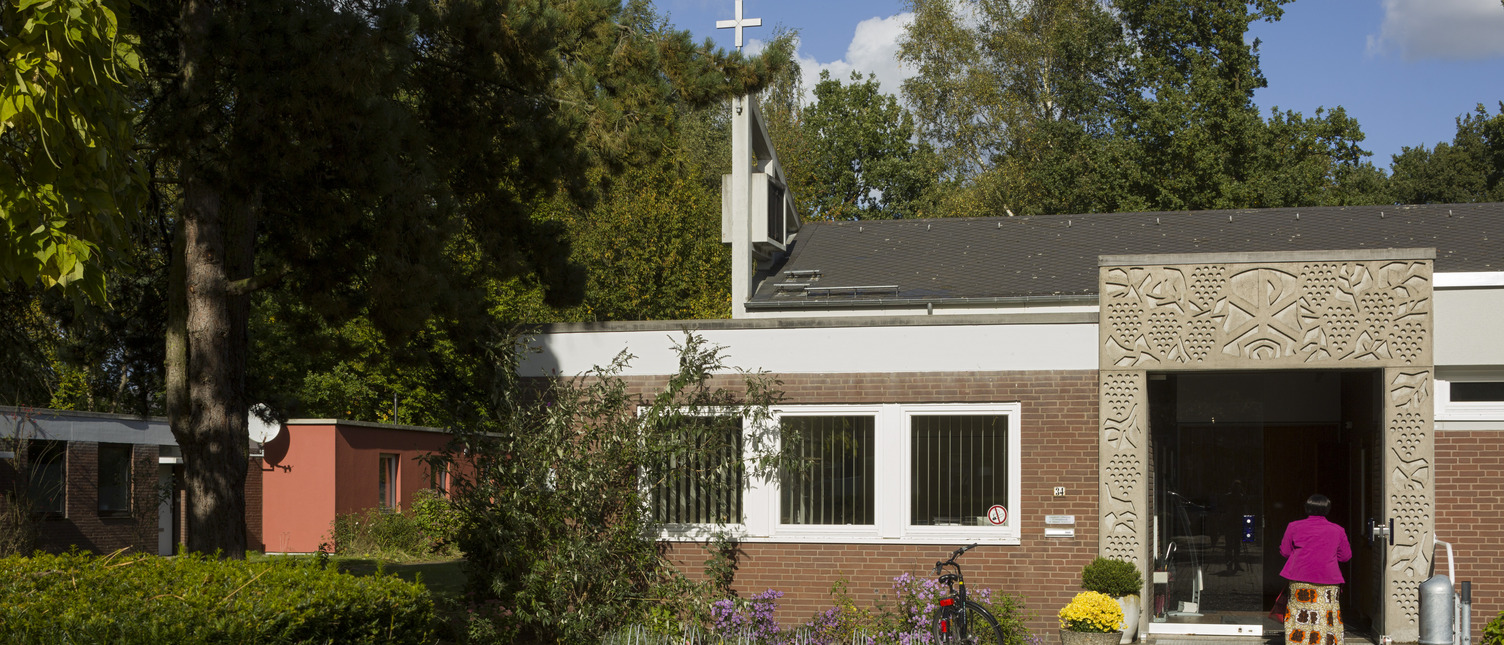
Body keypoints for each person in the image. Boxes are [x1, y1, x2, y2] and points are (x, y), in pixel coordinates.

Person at [1279, 494, 1352, 645]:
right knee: (1327, 617)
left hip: (1299, 578)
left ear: (1307, 508)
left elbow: (1285, 552)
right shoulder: (1338, 530)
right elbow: (1345, 556)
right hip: (1329, 581)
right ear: (1328, 509)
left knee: (1299, 616)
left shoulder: (1294, 526)